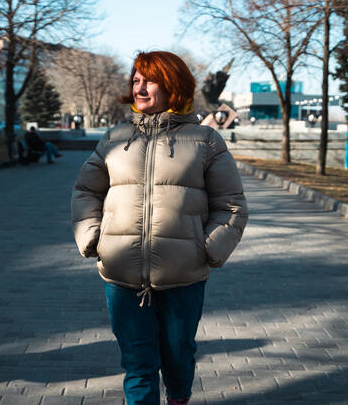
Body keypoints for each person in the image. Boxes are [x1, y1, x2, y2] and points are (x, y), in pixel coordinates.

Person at [71, 51, 248, 405]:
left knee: (178, 357)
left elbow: (231, 205)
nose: (139, 86)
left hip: (184, 276)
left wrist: (208, 248)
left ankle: (179, 397)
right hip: (122, 275)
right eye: (135, 80)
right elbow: (86, 191)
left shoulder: (206, 141)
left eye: (149, 79)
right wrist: (93, 237)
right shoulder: (114, 139)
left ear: (173, 85)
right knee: (138, 365)